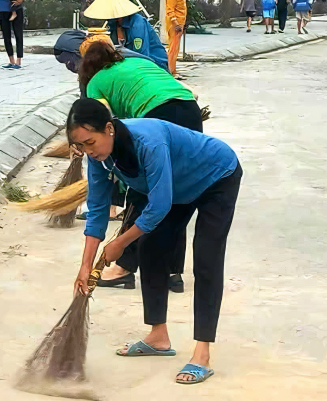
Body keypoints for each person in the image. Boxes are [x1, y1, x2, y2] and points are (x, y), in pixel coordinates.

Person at [68, 97, 242, 385]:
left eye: (90, 142)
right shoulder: (99, 157)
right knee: (151, 249)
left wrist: (121, 242)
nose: (88, 150)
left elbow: (159, 206)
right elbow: (98, 209)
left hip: (215, 176)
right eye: (81, 146)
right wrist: (85, 266)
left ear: (108, 129)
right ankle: (158, 337)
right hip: (175, 187)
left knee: (206, 258)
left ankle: (202, 354)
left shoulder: (148, 142)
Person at [78, 41, 200, 292]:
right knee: (174, 191)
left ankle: (123, 267)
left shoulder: (95, 83)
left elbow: (102, 123)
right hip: (189, 109)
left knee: (141, 190)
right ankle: (172, 272)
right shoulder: (137, 62)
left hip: (158, 115)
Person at [164, 0, 188, 77]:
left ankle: (173, 70)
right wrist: (176, 24)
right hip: (175, 25)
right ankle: (170, 71)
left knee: (176, 48)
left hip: (179, 24)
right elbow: (170, 10)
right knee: (173, 48)